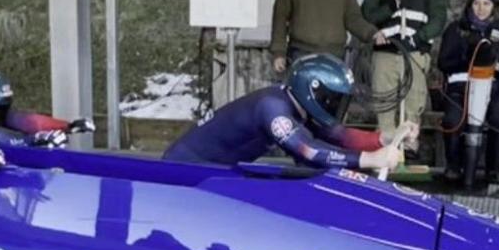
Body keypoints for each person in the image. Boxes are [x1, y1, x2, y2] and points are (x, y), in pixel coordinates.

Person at [164, 53, 410, 171]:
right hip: (187, 167)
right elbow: (308, 150)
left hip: (214, 169)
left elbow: (337, 136)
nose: (336, 106)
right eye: (333, 99)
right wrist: (370, 160)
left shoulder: (295, 101)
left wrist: (382, 139)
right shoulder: (273, 109)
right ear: (313, 91)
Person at [361, 0, 447, 145]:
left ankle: (408, 147)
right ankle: (385, 150)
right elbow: (367, 14)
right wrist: (391, 5)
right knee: (385, 104)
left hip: (415, 53)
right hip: (386, 53)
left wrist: (420, 38)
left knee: (413, 103)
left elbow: (438, 17)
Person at [437, 0, 499, 185]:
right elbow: (443, 63)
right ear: (470, 5)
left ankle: (494, 168)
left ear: (494, 6)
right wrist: (467, 56)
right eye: (477, 3)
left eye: (486, 4)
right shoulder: (456, 30)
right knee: (453, 119)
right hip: (460, 88)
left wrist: (498, 85)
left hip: (491, 88)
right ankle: (453, 166)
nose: (481, 9)